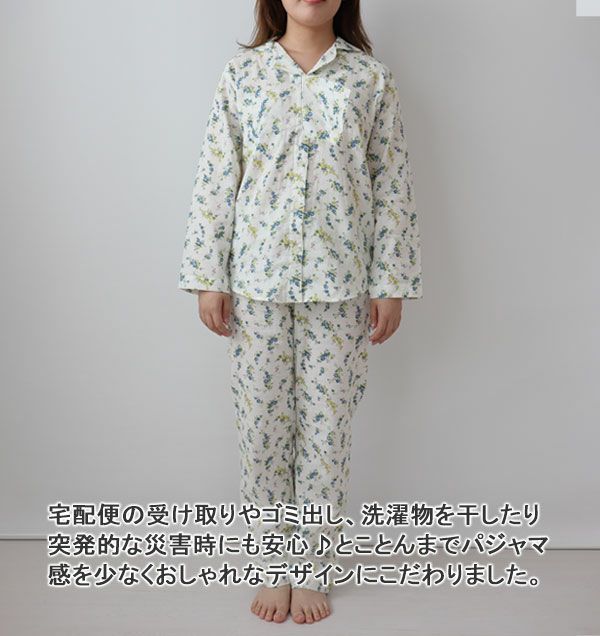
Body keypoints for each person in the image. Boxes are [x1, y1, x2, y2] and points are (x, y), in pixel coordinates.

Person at [178, 0, 423, 625]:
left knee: (326, 434)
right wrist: (208, 277)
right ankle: (272, 563)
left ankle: (311, 568)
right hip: (256, 285)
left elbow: (391, 185)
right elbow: (217, 176)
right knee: (262, 431)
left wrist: (391, 281)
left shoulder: (371, 79)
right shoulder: (243, 74)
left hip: (342, 287)